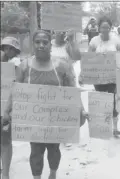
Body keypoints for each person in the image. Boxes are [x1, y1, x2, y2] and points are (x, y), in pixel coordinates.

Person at [2, 30, 87, 179]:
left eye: (45, 42)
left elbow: (72, 90)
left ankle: (53, 173)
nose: (41, 45)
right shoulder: (24, 66)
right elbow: (15, 90)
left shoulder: (62, 66)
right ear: (33, 45)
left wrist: (82, 109)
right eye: (37, 42)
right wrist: (7, 110)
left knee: (54, 150)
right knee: (36, 151)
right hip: (33, 120)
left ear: (50, 45)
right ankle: (37, 177)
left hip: (56, 119)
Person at [86, 16, 120, 137]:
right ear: (99, 28)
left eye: (107, 27)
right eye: (103, 27)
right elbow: (89, 57)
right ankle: (103, 127)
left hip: (112, 76)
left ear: (110, 28)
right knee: (102, 100)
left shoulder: (116, 40)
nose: (105, 29)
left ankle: (115, 127)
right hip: (98, 77)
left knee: (113, 100)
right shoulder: (94, 41)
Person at [1, 36, 21, 179]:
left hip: (5, 107)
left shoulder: (15, 64)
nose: (8, 51)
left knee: (5, 140)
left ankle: (6, 173)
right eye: (6, 48)